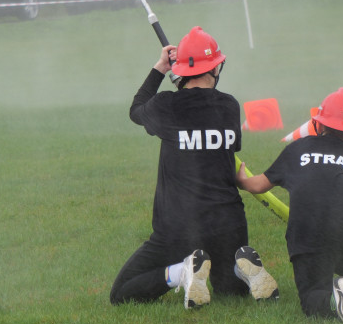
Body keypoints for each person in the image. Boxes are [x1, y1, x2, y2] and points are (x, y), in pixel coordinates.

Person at [110, 26, 279, 308]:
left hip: (178, 226)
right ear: (215, 68)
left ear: (181, 70)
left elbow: (136, 109)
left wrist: (160, 69)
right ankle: (241, 270)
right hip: (228, 224)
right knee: (229, 292)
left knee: (121, 293)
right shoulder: (230, 106)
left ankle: (182, 271)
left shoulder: (166, 105)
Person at [237, 88, 343, 323]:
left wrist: (241, 180)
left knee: (312, 300)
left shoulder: (297, 149)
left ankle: (334, 297)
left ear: (318, 124)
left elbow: (258, 185)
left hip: (307, 235)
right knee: (342, 215)